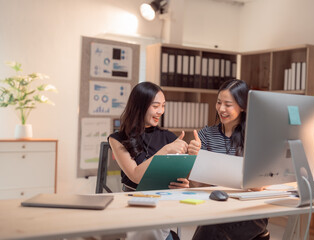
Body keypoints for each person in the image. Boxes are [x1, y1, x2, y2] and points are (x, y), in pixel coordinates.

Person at [188, 79, 269, 240]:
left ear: (243, 106)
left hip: (249, 213)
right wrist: (193, 159)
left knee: (213, 227)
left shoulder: (255, 137)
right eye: (219, 103)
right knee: (213, 224)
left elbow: (259, 186)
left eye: (228, 104)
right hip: (216, 209)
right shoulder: (205, 135)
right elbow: (196, 184)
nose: (221, 109)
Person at [108, 81, 189, 240]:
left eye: (163, 106)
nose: (161, 111)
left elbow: (178, 176)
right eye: (155, 106)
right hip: (134, 203)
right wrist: (165, 150)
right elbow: (135, 175)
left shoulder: (168, 137)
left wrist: (183, 184)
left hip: (163, 203)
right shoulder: (117, 139)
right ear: (140, 106)